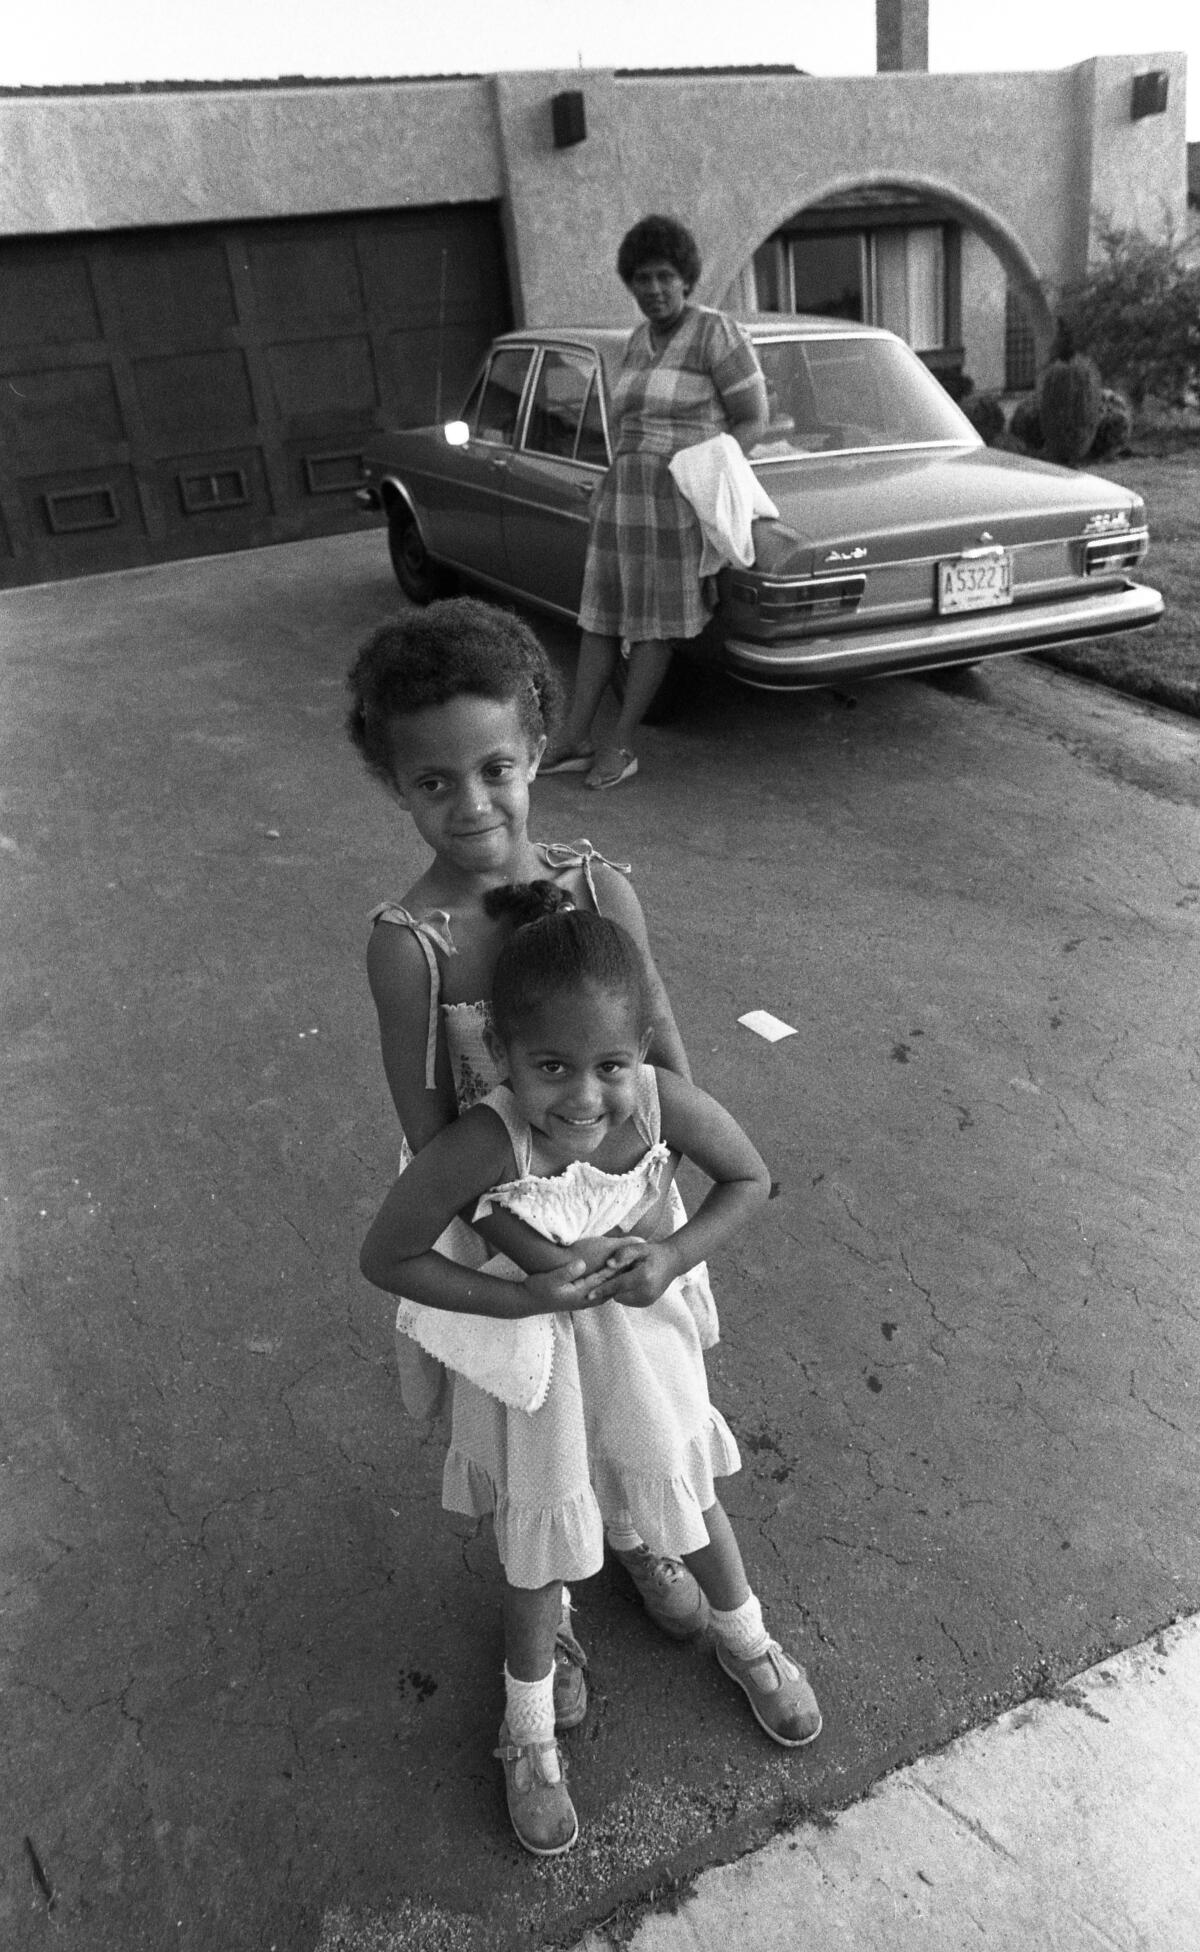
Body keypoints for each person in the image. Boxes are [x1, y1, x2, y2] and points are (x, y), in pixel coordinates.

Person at [359, 897, 823, 1856]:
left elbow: (750, 1179)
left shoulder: (660, 1103)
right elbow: (390, 1255)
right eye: (552, 1069)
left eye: (609, 1065)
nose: (583, 1098)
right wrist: (526, 1301)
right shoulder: (489, 1141)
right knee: (539, 1547)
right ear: (503, 1054)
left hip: (647, 1355)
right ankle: (527, 1734)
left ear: (641, 1047)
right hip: (539, 1387)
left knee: (686, 1497)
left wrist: (674, 1254)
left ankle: (748, 1640)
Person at [345, 594, 720, 1661]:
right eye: (433, 781)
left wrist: (655, 1209)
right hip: (501, 1225)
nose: (472, 804)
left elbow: (666, 1061)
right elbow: (431, 1134)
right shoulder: (410, 944)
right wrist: (536, 1258)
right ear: (397, 785)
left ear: (538, 749)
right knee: (539, 1424)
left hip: (632, 1202)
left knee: (638, 1389)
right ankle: (547, 1599)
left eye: (495, 767)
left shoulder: (599, 883)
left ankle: (643, 1531)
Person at [541, 213, 769, 790]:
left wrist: (706, 478)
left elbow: (753, 418)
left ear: (686, 278)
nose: (655, 289)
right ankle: (574, 738)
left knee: (653, 629)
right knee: (598, 621)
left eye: (665, 276)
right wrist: (610, 478)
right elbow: (626, 424)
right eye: (642, 278)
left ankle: (620, 745)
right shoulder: (638, 341)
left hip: (677, 504)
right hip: (623, 501)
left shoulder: (716, 332)